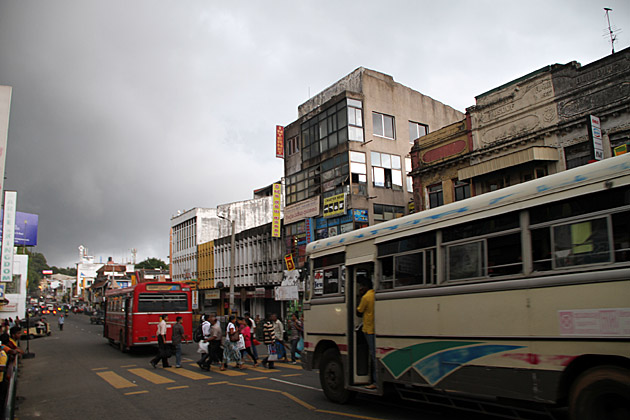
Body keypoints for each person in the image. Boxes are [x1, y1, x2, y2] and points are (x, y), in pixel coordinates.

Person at [357, 275, 376, 389]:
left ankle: (375, 381)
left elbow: (359, 311)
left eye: (361, 286)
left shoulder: (366, 298)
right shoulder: (375, 294)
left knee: (373, 355)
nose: (360, 288)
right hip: (375, 328)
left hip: (369, 329)